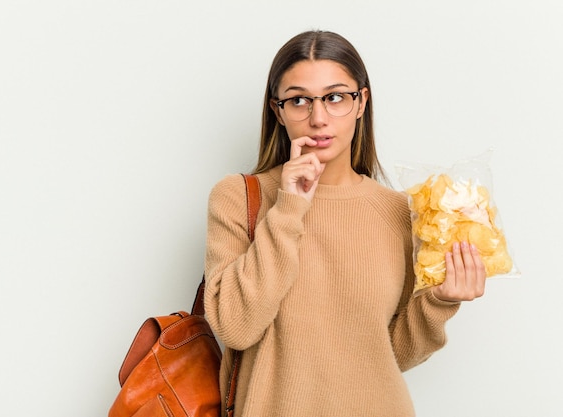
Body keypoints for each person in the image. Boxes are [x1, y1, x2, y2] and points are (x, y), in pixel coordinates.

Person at [203, 30, 486, 417]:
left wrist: (440, 302)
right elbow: (236, 327)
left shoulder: (400, 212)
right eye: (299, 100)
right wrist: (289, 207)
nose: (318, 118)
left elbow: (389, 355)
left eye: (335, 97)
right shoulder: (238, 197)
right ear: (278, 110)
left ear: (361, 102)